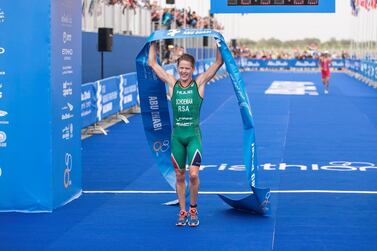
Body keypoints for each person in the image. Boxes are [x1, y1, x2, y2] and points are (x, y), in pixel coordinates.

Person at [148, 42, 223, 227]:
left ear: (193, 69)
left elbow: (218, 62)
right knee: (180, 176)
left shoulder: (199, 83)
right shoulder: (172, 84)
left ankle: (193, 209)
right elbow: (152, 63)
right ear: (177, 68)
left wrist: (218, 43)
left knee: (194, 175)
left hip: (193, 136)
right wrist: (152, 42)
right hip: (177, 138)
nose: (183, 71)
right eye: (181, 68)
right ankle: (182, 212)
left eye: (187, 68)